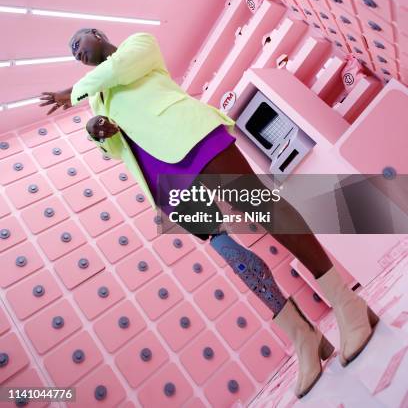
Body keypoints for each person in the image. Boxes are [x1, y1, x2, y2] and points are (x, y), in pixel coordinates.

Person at [39, 28, 379, 399]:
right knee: (231, 255)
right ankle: (303, 336)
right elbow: (115, 150)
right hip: (161, 180)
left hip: (191, 137)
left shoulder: (138, 46)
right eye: (72, 53)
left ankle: (348, 304)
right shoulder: (95, 97)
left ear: (96, 34)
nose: (77, 53)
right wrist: (97, 132)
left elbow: (118, 69)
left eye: (78, 43)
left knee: (264, 208)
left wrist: (71, 93)